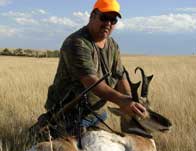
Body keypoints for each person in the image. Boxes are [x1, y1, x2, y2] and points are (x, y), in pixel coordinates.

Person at [44, 0, 147, 137]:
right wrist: (123, 101)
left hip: (97, 115)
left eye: (113, 20)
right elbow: (91, 82)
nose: (108, 23)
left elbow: (120, 77)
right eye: (104, 17)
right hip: (69, 115)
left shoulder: (112, 45)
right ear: (92, 16)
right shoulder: (77, 43)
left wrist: (130, 101)